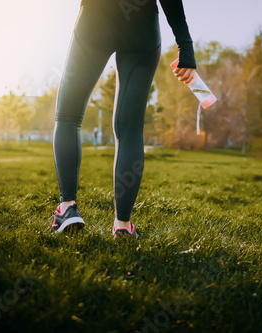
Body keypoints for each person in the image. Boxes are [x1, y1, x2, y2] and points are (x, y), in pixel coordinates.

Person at [50, 0, 197, 239]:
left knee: (68, 116)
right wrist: (185, 45)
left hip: (96, 18)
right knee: (130, 129)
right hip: (142, 26)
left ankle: (67, 208)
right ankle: (122, 225)